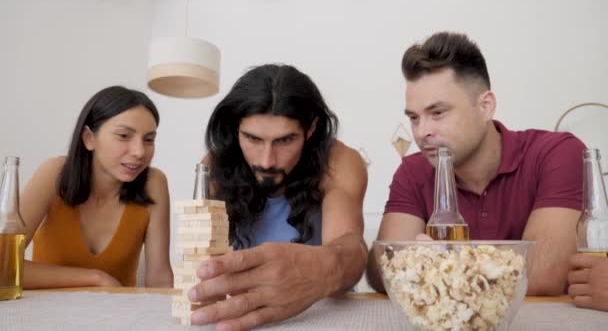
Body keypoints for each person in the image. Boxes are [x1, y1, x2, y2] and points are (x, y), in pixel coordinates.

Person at [367, 31, 585, 296]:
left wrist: (437, 267)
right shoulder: (413, 171)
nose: (422, 131)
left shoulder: (557, 153)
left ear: (485, 106)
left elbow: (541, 274)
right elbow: (386, 270)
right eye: (414, 118)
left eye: (437, 113)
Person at [188, 64, 368, 330]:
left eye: (285, 141)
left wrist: (313, 269)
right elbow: (197, 256)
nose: (266, 160)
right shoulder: (214, 166)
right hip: (246, 316)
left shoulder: (340, 162)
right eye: (252, 139)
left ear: (311, 129)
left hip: (324, 317)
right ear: (235, 128)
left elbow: (351, 248)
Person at [21, 86, 173, 288]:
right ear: (89, 138)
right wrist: (95, 278)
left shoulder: (154, 183)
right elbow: (4, 265)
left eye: (149, 140)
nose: (139, 152)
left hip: (118, 316)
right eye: (123, 136)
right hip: (47, 313)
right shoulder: (55, 173)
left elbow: (159, 278)